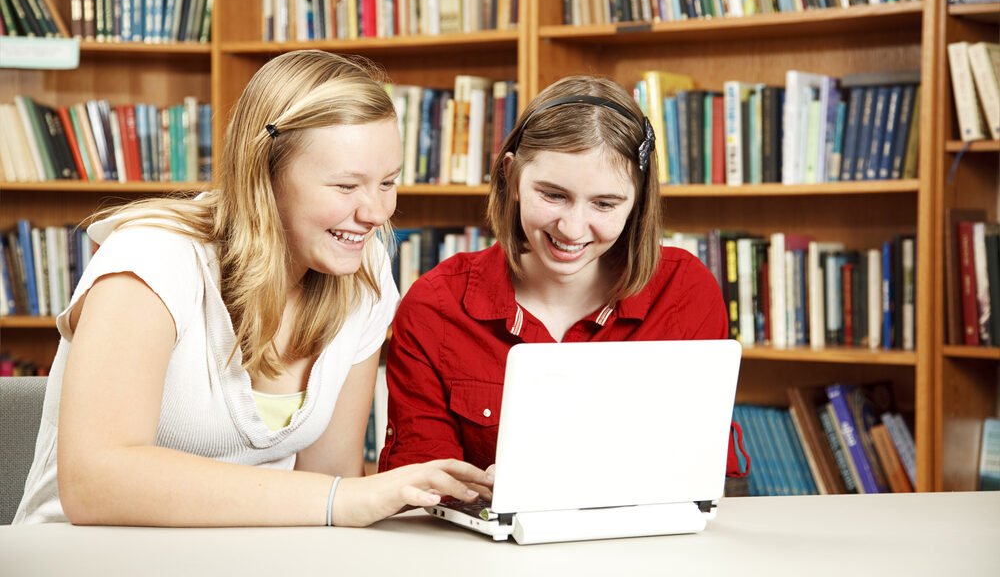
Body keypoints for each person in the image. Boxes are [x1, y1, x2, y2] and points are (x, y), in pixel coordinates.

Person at [13, 50, 491, 527]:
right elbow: (96, 483)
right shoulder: (152, 259)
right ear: (264, 175)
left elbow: (330, 479)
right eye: (346, 187)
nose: (376, 212)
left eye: (388, 182)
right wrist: (340, 499)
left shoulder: (363, 274)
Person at [379, 76, 747, 477]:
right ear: (511, 177)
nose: (572, 228)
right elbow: (418, 489)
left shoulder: (684, 291)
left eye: (604, 203)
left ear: (637, 201)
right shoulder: (435, 306)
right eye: (553, 195)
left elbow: (709, 468)